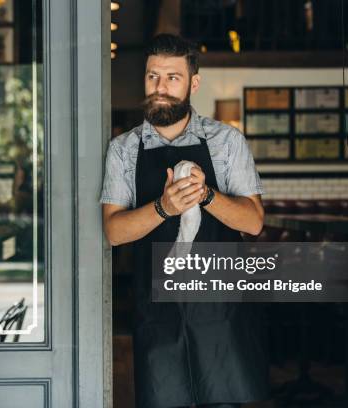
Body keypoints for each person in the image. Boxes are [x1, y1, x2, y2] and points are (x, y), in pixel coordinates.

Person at [100, 34, 269, 408]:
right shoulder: (124, 149)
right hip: (157, 312)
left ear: (193, 82)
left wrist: (206, 195)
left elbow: (253, 222)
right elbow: (113, 231)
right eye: (152, 77)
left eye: (172, 77)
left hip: (219, 312)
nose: (160, 88)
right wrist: (164, 208)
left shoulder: (227, 141)